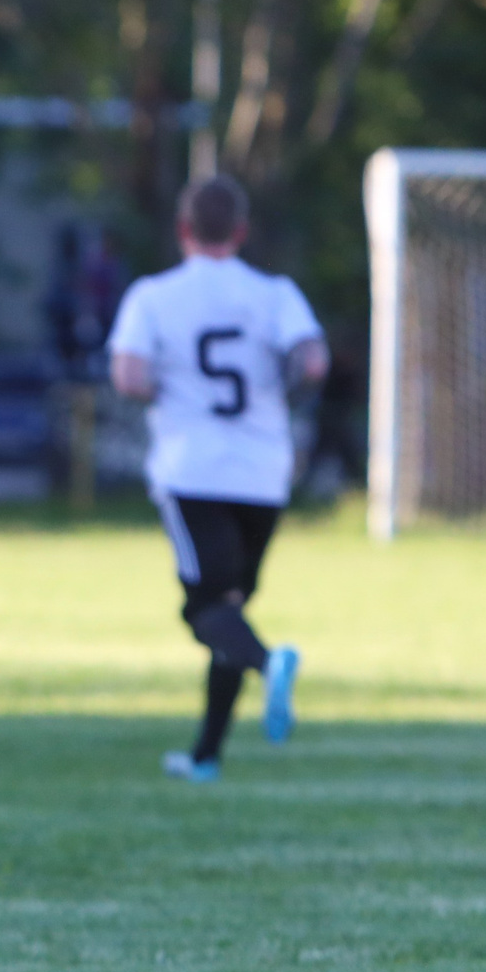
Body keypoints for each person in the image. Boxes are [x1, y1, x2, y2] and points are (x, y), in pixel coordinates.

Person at [108, 174, 328, 783]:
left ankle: (269, 661)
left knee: (204, 610)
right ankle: (206, 757)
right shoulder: (275, 292)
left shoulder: (153, 296)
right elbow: (312, 361)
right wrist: (279, 389)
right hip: (264, 470)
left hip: (193, 468)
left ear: (182, 229)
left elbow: (128, 377)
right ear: (241, 231)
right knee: (229, 608)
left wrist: (167, 389)